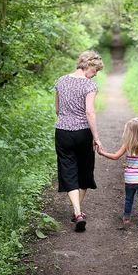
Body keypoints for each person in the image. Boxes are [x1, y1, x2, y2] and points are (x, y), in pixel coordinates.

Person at [54, 50, 103, 232]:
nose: (96, 73)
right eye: (96, 70)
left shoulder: (60, 81)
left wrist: (67, 118)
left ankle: (77, 212)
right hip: (83, 133)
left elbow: (57, 109)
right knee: (84, 171)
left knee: (68, 170)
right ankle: (78, 212)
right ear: (88, 65)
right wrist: (96, 138)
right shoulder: (89, 85)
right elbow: (90, 112)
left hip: (62, 132)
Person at [98, 117, 138, 233]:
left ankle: (126, 218)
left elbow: (115, 156)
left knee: (129, 199)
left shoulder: (127, 145)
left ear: (128, 132)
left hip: (130, 179)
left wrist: (102, 153)